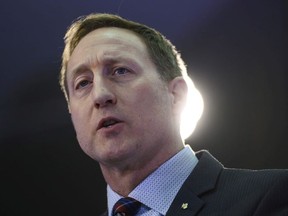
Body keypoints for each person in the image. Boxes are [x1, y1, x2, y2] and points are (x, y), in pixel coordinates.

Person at [59, 13, 288, 216]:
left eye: (120, 71)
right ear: (72, 114)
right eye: (83, 83)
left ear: (176, 95)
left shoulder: (269, 197)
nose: (100, 95)